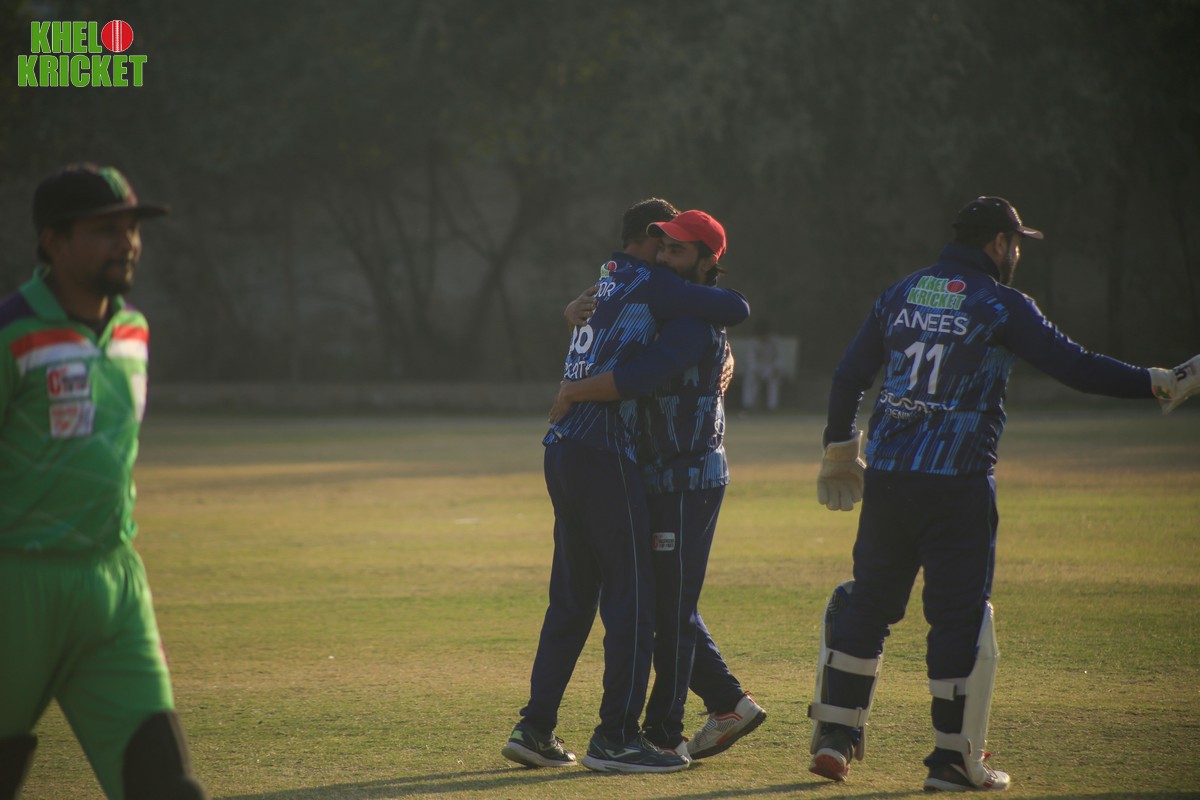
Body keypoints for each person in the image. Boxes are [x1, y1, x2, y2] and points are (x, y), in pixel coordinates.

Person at [806, 196, 1199, 792]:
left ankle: (836, 738)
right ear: (998, 243)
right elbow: (1074, 365)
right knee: (958, 619)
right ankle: (951, 762)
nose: (1017, 254)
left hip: (890, 478)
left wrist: (839, 446)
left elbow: (848, 375)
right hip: (957, 482)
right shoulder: (1000, 303)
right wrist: (1156, 383)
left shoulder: (902, 292)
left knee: (870, 605)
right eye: (1016, 244)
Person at [501, 199, 750, 774]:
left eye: (677, 246)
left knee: (573, 600)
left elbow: (702, 321)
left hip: (563, 450)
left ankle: (534, 728)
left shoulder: (608, 283)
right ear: (649, 240)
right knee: (635, 603)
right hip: (604, 452)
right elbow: (733, 307)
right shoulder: (654, 285)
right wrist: (574, 390)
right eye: (663, 243)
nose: (666, 254)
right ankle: (616, 738)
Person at [0, 164, 208, 799]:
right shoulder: (12, 333)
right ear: (54, 241)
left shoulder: (133, 331)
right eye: (105, 231)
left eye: (132, 229)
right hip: (15, 588)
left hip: (112, 590)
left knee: (167, 788)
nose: (127, 244)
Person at [741, 319, 784, 412]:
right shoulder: (753, 342)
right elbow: (751, 359)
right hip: (757, 367)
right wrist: (755, 370)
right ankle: (748, 405)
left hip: (770, 367)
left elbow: (779, 356)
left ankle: (772, 406)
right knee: (750, 378)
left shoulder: (775, 341)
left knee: (774, 381)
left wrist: (776, 368)